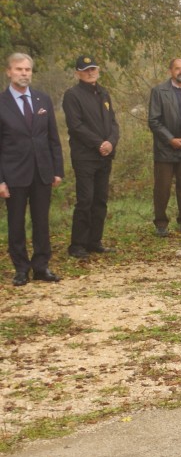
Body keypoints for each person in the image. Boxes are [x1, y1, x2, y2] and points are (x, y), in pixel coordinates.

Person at [0, 52, 64, 285]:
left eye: (27, 69)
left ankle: (41, 266)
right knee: (16, 224)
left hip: (42, 172)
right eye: (19, 69)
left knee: (41, 222)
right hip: (14, 174)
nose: (24, 73)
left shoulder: (42, 100)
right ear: (9, 72)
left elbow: (53, 138)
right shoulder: (2, 102)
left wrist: (57, 169)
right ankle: (21, 269)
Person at [62, 55, 120, 259]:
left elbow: (113, 123)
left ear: (98, 70)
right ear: (78, 73)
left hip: (105, 156)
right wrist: (99, 144)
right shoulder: (72, 95)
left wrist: (111, 142)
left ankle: (94, 241)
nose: (90, 72)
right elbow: (76, 126)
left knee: (100, 200)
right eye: (86, 70)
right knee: (85, 200)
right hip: (85, 156)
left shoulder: (104, 93)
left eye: (93, 69)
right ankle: (77, 244)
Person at [147, 57, 181, 236]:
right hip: (165, 148)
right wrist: (171, 139)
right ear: (170, 71)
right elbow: (154, 120)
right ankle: (161, 224)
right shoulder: (159, 91)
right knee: (162, 188)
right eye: (178, 68)